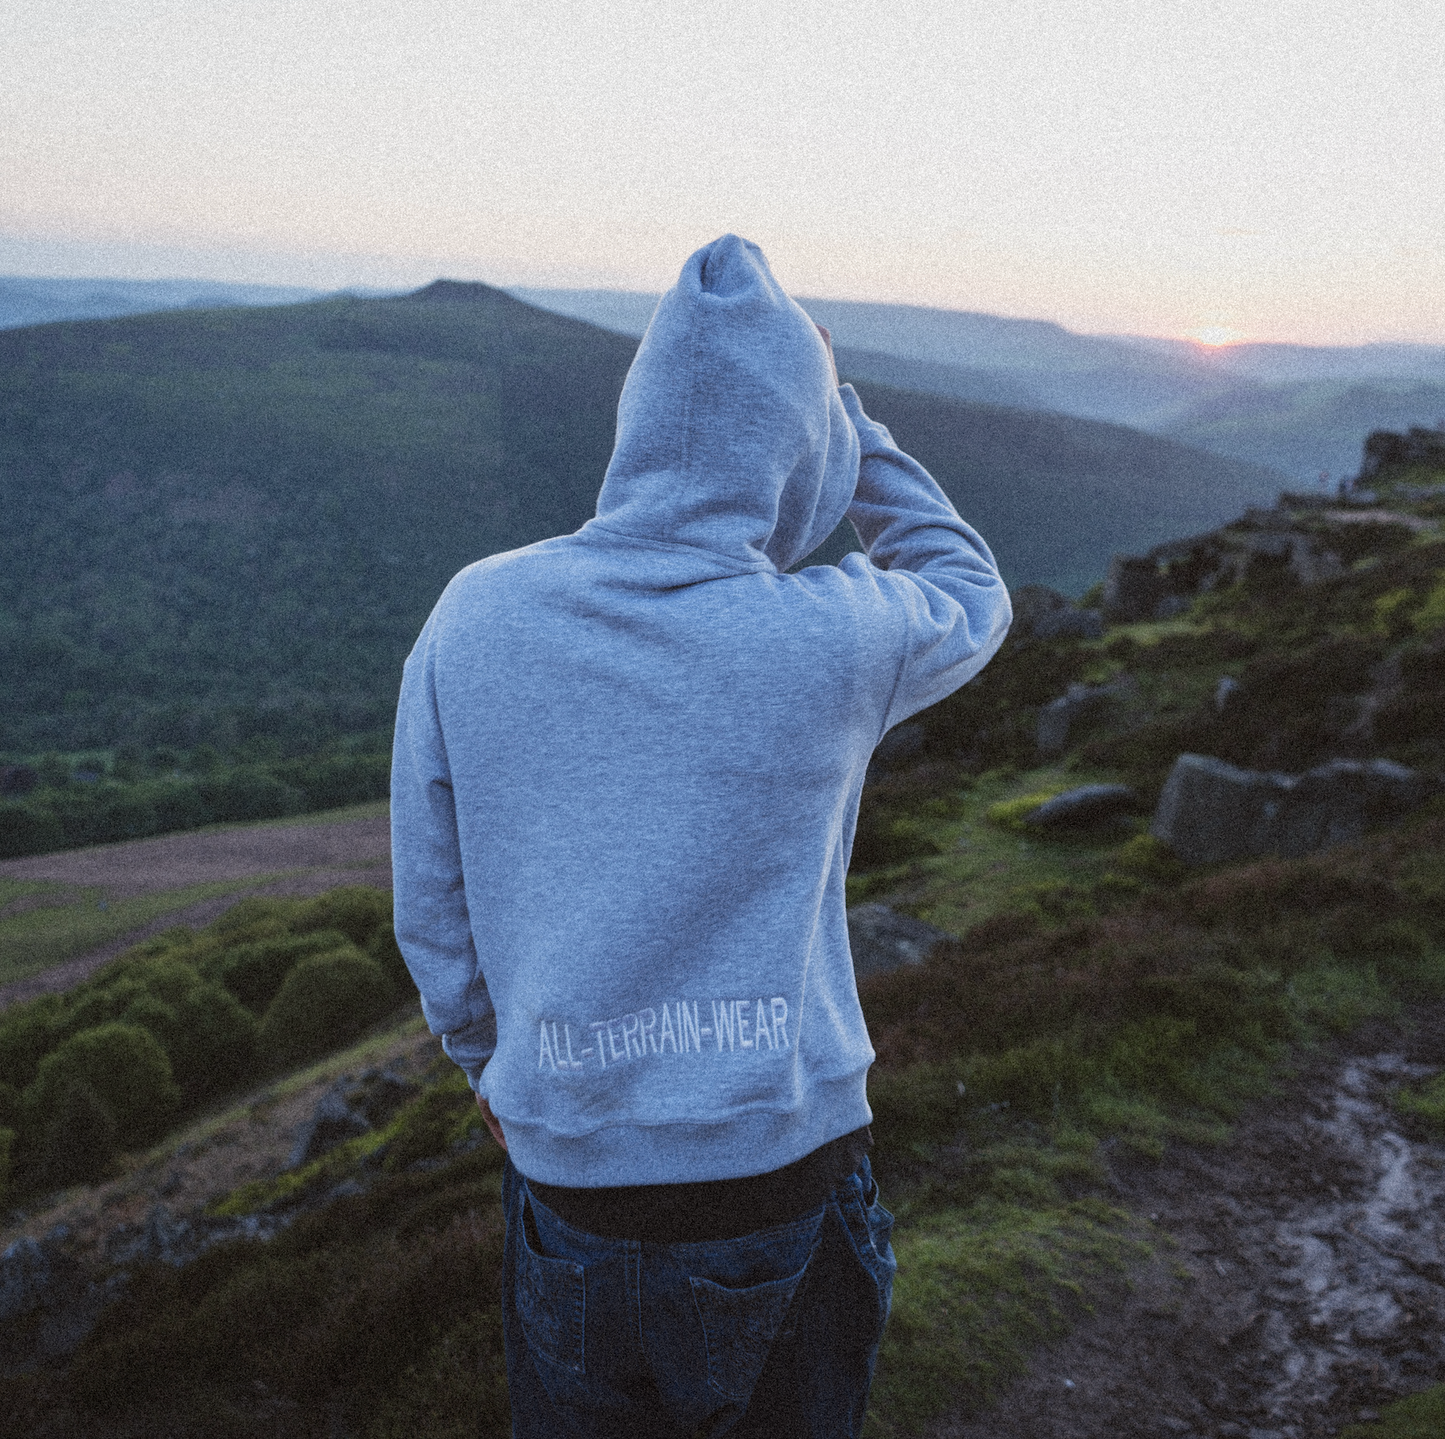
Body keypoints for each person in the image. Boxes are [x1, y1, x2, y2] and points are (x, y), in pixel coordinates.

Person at [390, 234, 1011, 1438]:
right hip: (783, 1173)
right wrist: (852, 419)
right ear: (791, 445)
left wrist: (487, 1064)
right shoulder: (832, 636)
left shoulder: (476, 614)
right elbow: (965, 583)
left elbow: (432, 896)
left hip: (571, 1178)